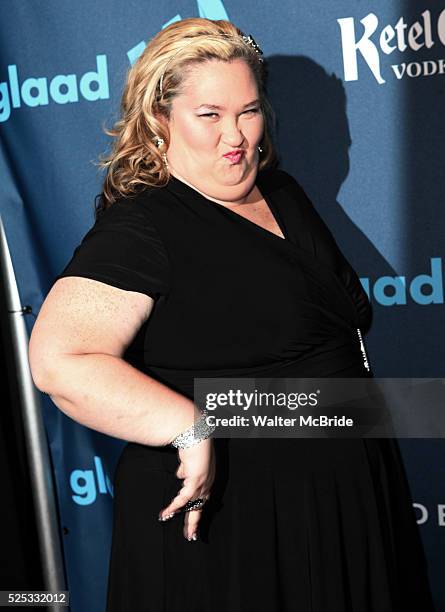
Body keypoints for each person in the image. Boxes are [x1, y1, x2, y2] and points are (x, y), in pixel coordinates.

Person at [29, 17, 435, 612]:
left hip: (342, 494)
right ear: (159, 122)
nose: (235, 135)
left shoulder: (282, 192)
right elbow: (59, 362)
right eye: (210, 115)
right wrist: (189, 427)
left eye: (248, 111)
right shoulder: (144, 226)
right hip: (240, 517)